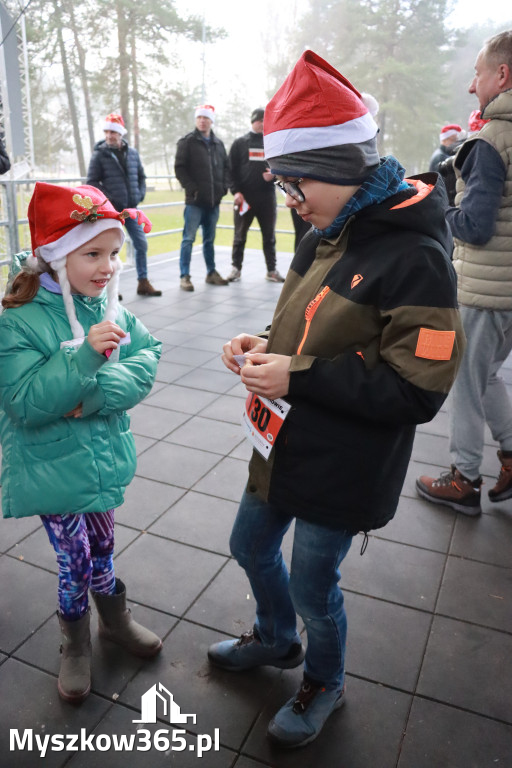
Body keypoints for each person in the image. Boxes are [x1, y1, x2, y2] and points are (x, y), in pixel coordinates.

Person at [207, 51, 464, 749]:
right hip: (284, 441)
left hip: (345, 461)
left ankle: (325, 678)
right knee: (248, 544)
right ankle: (275, 639)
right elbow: (301, 320)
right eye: (281, 185)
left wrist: (299, 375)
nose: (289, 200)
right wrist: (259, 342)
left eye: (295, 184)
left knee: (314, 583)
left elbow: (418, 387)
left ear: (342, 168)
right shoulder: (328, 228)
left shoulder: (416, 257)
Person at [0, 182, 163, 704]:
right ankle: (74, 639)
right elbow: (23, 400)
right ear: (54, 257)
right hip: (50, 469)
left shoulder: (107, 306)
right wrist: (83, 358)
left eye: (113, 253)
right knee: (75, 558)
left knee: (104, 547)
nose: (108, 266)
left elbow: (148, 354)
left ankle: (113, 619)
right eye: (92, 253)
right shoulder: (17, 322)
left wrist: (94, 397)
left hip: (100, 463)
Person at [417, 30, 512, 516]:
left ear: (502, 74)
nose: (472, 86)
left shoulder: (490, 139)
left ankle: (465, 478)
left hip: (485, 292)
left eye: (476, 74)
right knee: (490, 373)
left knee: (467, 384)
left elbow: (473, 227)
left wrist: (440, 206)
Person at [86, 112, 162, 297]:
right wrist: (110, 200)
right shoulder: (99, 154)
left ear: (121, 133)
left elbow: (142, 176)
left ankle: (143, 282)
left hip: (132, 210)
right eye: (107, 132)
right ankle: (111, 288)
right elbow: (92, 182)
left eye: (113, 132)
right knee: (110, 250)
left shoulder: (133, 153)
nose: (109, 135)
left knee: (141, 244)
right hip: (111, 211)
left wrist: (140, 193)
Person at [174, 105, 229, 291]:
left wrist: (224, 188)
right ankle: (184, 276)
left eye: (206, 118)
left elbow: (226, 168)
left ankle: (211, 273)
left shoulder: (218, 144)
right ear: (196, 120)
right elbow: (179, 168)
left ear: (211, 120)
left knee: (209, 240)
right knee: (188, 239)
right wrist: (192, 189)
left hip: (213, 202)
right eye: (199, 118)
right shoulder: (187, 142)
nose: (202, 121)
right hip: (195, 202)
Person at [227, 108, 285, 283]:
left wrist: (274, 174)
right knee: (239, 235)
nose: (263, 124)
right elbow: (230, 170)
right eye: (260, 120)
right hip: (244, 198)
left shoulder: (272, 142)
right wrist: (236, 192)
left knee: (269, 236)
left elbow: (282, 167)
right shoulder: (240, 143)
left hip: (267, 198)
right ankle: (235, 269)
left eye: (265, 121)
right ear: (253, 121)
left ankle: (271, 270)